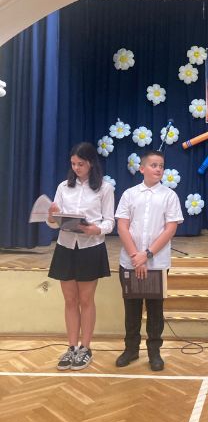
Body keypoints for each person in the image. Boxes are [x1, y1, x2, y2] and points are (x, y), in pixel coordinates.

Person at [47, 142, 115, 370]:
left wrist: (96, 229)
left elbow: (109, 222)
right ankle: (71, 347)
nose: (76, 168)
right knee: (69, 300)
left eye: (81, 164)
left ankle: (85, 348)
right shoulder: (63, 187)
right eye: (73, 164)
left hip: (90, 247)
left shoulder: (105, 188)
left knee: (86, 300)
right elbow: (53, 222)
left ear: (91, 163)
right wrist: (52, 216)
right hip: (66, 246)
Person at [115, 150, 183, 371]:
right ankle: (131, 349)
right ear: (142, 168)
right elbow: (122, 226)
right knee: (131, 309)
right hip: (130, 261)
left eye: (161, 166)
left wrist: (147, 254)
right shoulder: (129, 194)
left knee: (155, 310)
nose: (158, 169)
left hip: (156, 263)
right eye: (154, 165)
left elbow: (170, 229)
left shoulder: (169, 196)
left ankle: (154, 352)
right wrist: (136, 256)